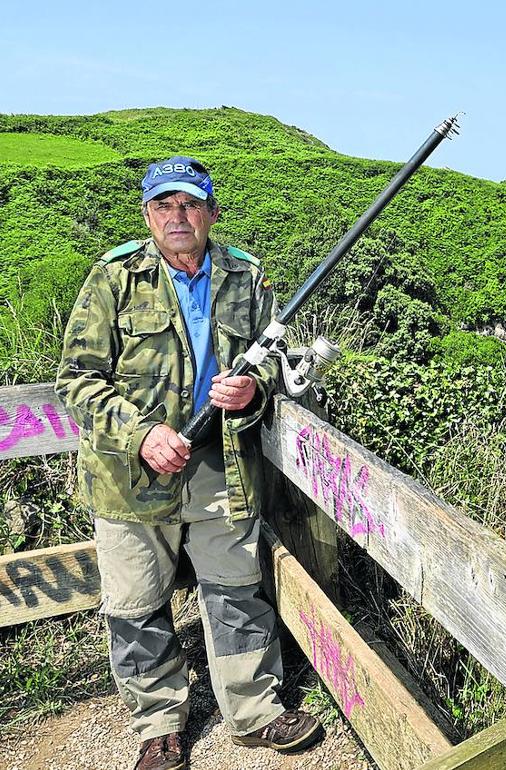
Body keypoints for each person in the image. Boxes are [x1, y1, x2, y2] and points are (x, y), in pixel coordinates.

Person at [56, 157, 323, 770]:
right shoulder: (113, 278)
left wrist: (255, 389)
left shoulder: (246, 276)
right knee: (135, 602)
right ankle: (158, 724)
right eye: (164, 206)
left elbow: (278, 360)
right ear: (148, 214)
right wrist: (143, 434)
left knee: (235, 589)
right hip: (128, 474)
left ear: (211, 212)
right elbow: (75, 381)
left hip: (219, 464)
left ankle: (254, 712)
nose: (178, 217)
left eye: (190, 204)